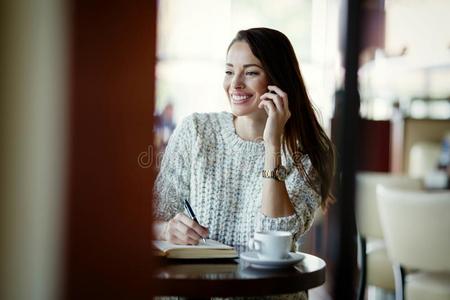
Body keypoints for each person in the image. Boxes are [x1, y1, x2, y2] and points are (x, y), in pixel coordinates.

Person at [153, 28, 335, 299]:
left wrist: (272, 145)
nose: (235, 83)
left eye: (250, 72)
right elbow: (153, 218)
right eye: (229, 71)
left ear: (277, 79)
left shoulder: (307, 152)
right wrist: (168, 229)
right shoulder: (196, 130)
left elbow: (277, 236)